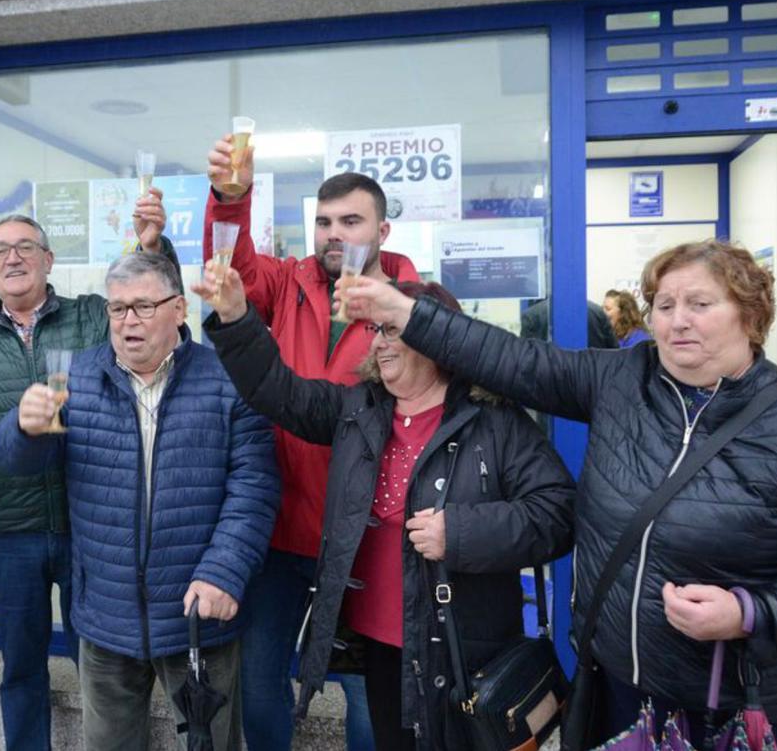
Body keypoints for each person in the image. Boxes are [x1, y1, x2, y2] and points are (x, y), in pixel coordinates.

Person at [341, 239, 777, 747]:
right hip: (616, 689)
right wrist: (404, 313)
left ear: (750, 314)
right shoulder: (622, 379)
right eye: (664, 305)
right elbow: (509, 358)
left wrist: (747, 613)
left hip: (734, 704)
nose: (678, 321)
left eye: (699, 304)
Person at [196, 265, 575, 750]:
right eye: (376, 330)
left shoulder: (494, 421)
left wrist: (460, 532)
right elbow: (278, 391)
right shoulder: (360, 410)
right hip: (377, 647)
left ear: (437, 338)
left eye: (392, 330)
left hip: (462, 652)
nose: (378, 343)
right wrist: (236, 318)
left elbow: (557, 512)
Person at [0, 191, 173, 750]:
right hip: (10, 531)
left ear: (48, 260)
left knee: (103, 666)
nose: (13, 257)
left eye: (26, 246)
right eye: (0, 250)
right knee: (21, 669)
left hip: (88, 526)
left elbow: (147, 314)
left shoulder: (90, 316)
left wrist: (151, 249)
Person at [0, 252, 279, 750]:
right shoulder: (74, 376)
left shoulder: (228, 379)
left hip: (197, 612)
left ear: (178, 309)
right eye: (118, 308)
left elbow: (254, 487)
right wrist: (22, 427)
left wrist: (224, 572)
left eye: (143, 307)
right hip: (106, 616)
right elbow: (21, 461)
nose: (128, 321)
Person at [204, 135, 420, 750]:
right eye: (324, 222)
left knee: (366, 692)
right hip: (281, 527)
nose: (334, 234)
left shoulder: (412, 305)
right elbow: (232, 270)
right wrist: (230, 197)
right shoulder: (289, 280)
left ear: (382, 229)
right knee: (260, 680)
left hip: (365, 537)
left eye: (351, 221)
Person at [520, 298, 619, 349]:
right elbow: (613, 350)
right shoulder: (597, 312)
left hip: (550, 378)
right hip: (591, 377)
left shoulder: (532, 315)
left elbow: (526, 357)